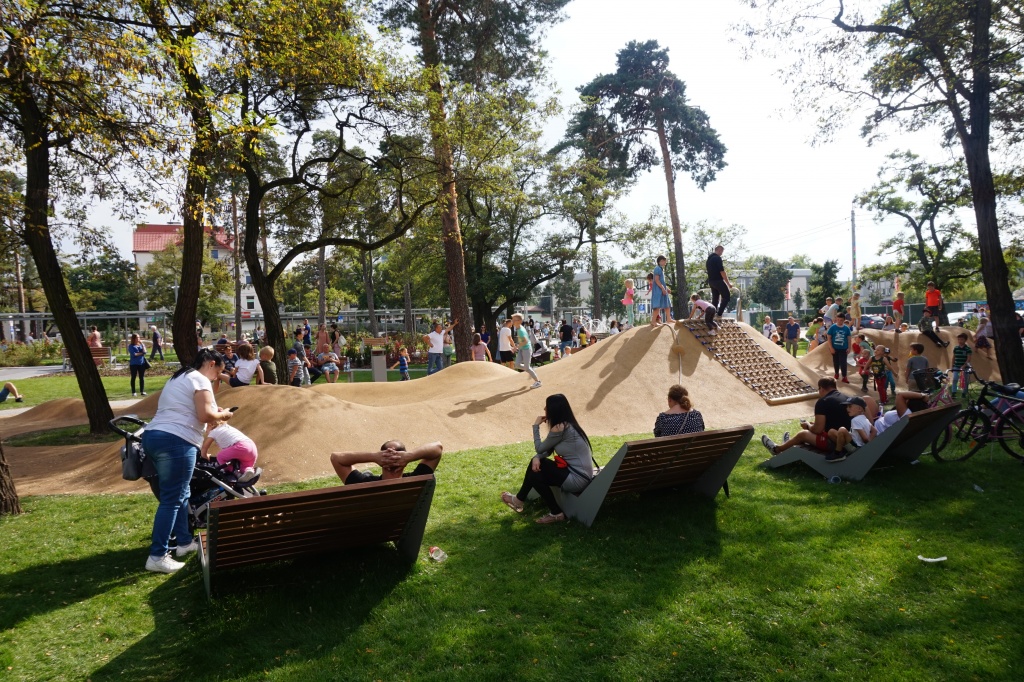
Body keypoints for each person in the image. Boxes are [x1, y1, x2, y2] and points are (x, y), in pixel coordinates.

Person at [141, 348, 234, 573]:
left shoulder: (180, 377)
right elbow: (205, 416)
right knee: (172, 499)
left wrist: (213, 412)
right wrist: (224, 415)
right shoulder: (200, 379)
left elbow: (192, 410)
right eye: (217, 373)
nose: (216, 378)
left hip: (155, 436)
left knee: (181, 493)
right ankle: (157, 556)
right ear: (211, 364)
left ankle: (184, 543)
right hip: (177, 440)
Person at [500, 394, 595, 524]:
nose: (545, 408)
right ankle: (553, 512)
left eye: (547, 406)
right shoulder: (568, 425)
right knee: (536, 473)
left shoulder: (560, 427)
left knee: (538, 469)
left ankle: (520, 500)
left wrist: (535, 426)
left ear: (554, 409)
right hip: (580, 475)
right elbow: (547, 450)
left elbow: (540, 448)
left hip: (577, 479)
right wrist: (536, 457)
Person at [760, 377, 851, 456]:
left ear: (821, 389)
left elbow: (818, 430)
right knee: (810, 430)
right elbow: (837, 419)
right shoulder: (847, 398)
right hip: (848, 440)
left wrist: (808, 426)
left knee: (803, 434)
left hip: (836, 444)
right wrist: (814, 425)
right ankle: (787, 444)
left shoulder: (823, 401)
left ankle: (776, 449)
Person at [330, 440, 443, 485]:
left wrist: (373, 456)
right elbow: (437, 448)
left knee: (367, 475)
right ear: (404, 460)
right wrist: (410, 455)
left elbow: (336, 458)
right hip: (406, 529)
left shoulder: (362, 484)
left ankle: (367, 473)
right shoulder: (417, 481)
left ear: (381, 459)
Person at [828, 396, 875, 462]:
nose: (847, 409)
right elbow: (874, 431)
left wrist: (866, 446)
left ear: (859, 408)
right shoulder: (865, 418)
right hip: (856, 444)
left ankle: (838, 454)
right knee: (831, 432)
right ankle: (844, 451)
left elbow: (865, 438)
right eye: (847, 407)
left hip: (857, 448)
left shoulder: (855, 420)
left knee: (842, 429)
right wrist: (870, 442)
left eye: (850, 406)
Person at [511, 313, 541, 389]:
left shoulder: (520, 330)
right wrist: (518, 346)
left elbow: (525, 341)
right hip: (522, 349)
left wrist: (516, 347)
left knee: (527, 368)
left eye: (513, 320)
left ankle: (538, 381)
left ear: (519, 321)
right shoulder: (518, 328)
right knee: (517, 365)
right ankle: (530, 369)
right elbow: (522, 340)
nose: (512, 321)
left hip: (526, 349)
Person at [705, 245, 732, 315]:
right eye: (722, 251)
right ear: (719, 250)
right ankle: (719, 313)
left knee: (715, 299)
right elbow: (722, 271)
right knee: (726, 296)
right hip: (718, 281)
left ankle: (712, 314)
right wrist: (728, 283)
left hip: (711, 281)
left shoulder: (709, 259)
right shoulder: (717, 258)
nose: (721, 253)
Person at [826, 313, 852, 383]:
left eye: (841, 320)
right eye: (838, 320)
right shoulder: (833, 327)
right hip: (835, 348)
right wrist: (831, 348)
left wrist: (849, 348)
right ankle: (836, 373)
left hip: (843, 348)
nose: (839, 321)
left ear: (844, 320)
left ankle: (844, 376)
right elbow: (829, 338)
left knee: (843, 362)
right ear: (836, 319)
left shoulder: (846, 328)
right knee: (836, 362)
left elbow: (849, 339)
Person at [650, 255, 674, 326]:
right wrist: (663, 288)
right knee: (657, 306)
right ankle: (653, 321)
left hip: (662, 289)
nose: (665, 263)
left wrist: (666, 288)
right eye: (664, 261)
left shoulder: (661, 269)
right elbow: (657, 280)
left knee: (667, 304)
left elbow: (662, 281)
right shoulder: (657, 268)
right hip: (658, 290)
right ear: (660, 261)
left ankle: (669, 318)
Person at [950, 332, 973, 397]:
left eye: (962, 339)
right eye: (959, 339)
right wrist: (952, 366)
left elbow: (968, 359)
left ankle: (964, 393)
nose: (960, 341)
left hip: (965, 367)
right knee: (955, 379)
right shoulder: (956, 348)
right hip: (956, 366)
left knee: (965, 380)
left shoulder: (968, 349)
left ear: (965, 340)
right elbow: (954, 357)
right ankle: (953, 392)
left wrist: (964, 366)